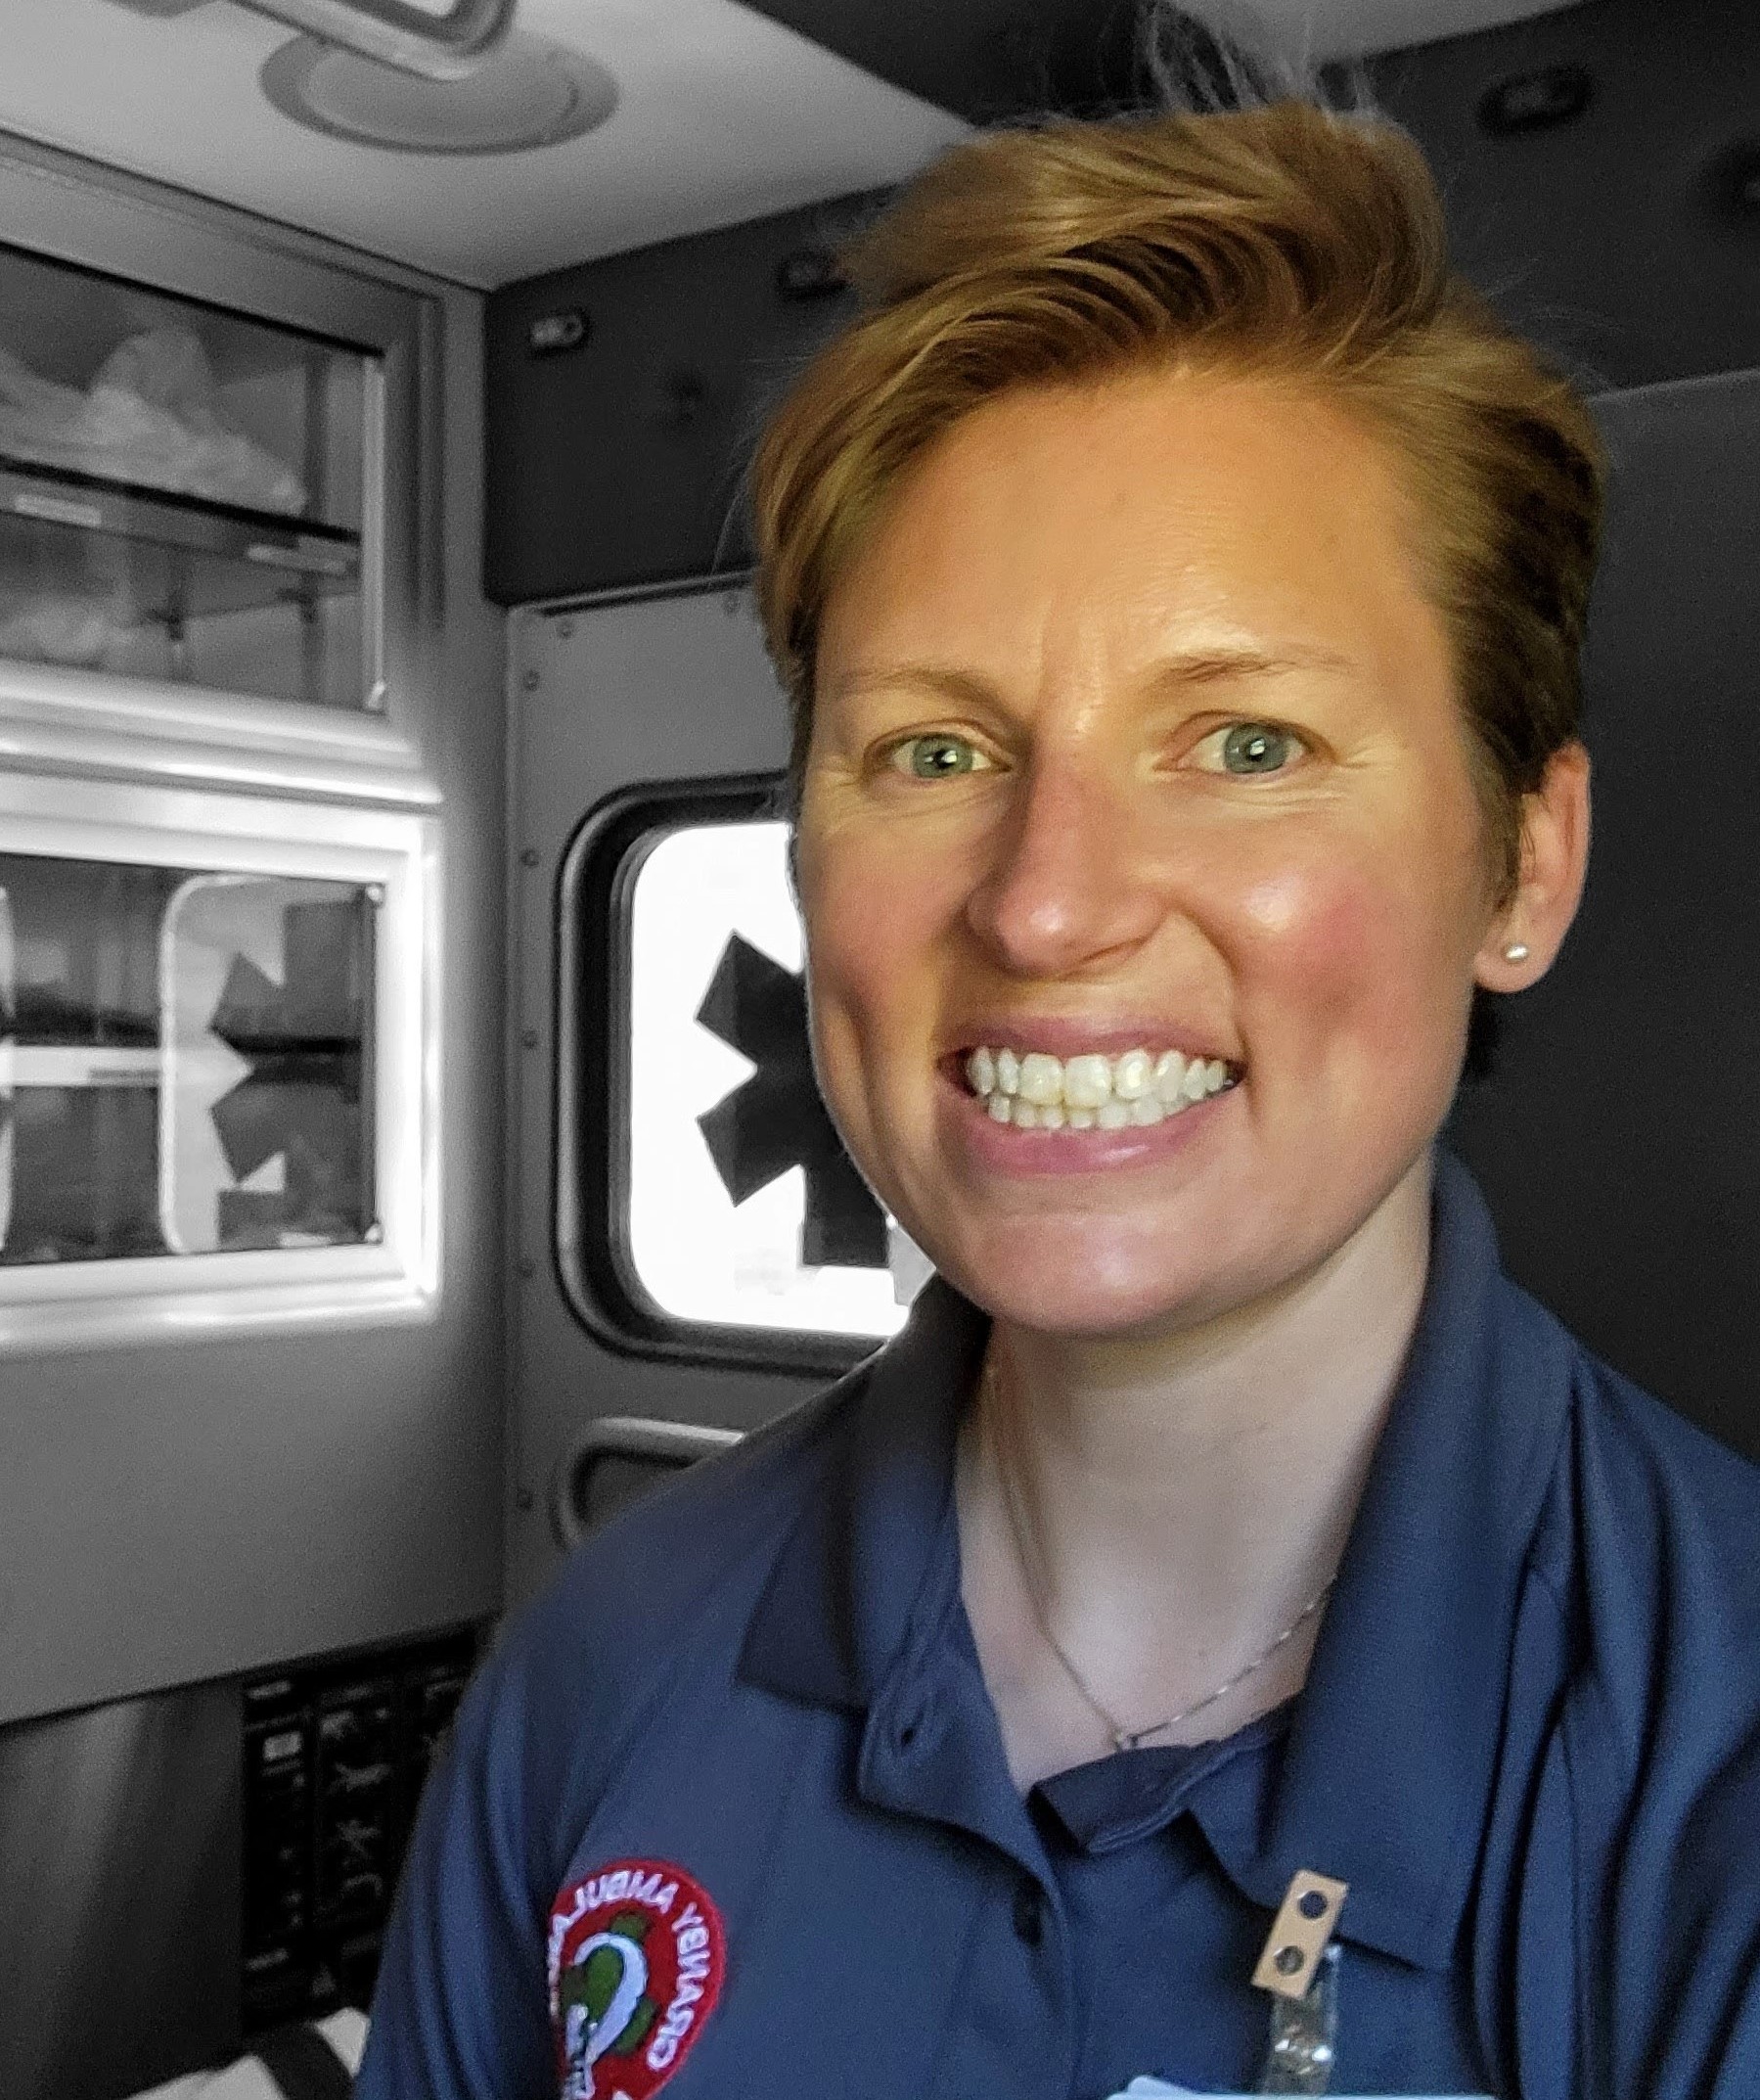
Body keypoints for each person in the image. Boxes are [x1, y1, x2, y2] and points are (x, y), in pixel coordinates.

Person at [357, 95, 1760, 2100]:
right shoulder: (606, 1667)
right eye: (931, 753)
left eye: (1247, 738)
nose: (1047, 899)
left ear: (1523, 868)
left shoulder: (1710, 1794)